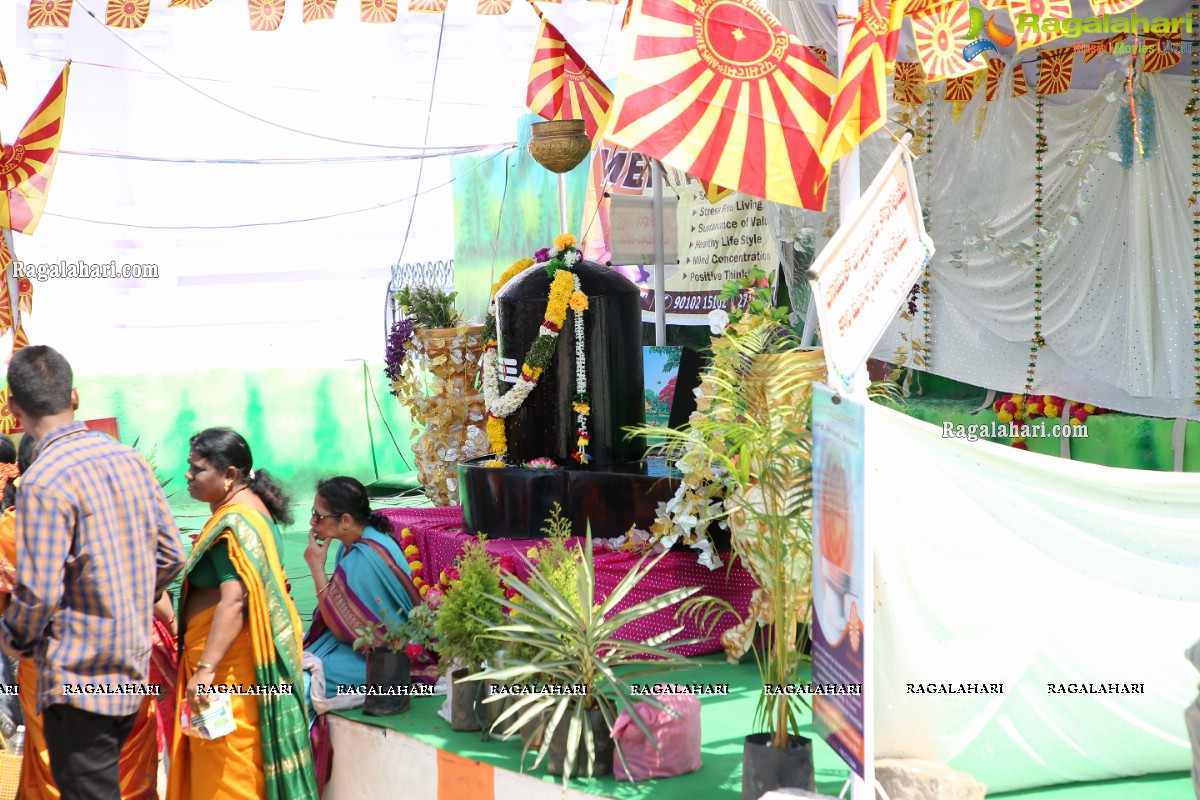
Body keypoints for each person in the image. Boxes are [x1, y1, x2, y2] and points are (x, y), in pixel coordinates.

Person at [0, 345, 185, 800]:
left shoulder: (43, 480)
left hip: (76, 680)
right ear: (75, 396)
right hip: (130, 669)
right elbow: (171, 556)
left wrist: (13, 639)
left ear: (13, 411)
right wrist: (123, 597)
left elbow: (39, 593)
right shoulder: (129, 461)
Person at [167, 427, 317, 800]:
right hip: (236, 662)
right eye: (189, 466)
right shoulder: (250, 509)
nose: (188, 475)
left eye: (198, 469)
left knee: (227, 774)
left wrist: (205, 671)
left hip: (225, 669)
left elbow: (235, 600)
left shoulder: (235, 523)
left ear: (230, 475)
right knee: (241, 764)